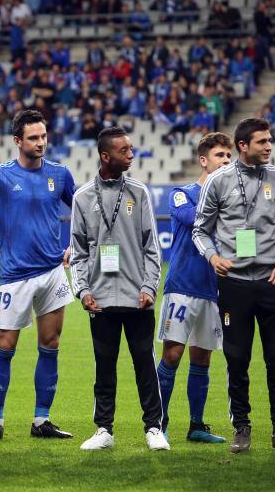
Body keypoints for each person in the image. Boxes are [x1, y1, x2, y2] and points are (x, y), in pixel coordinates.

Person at [192, 117, 275, 453]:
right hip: (235, 284)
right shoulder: (219, 181)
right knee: (237, 359)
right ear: (243, 146)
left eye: (270, 141)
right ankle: (242, 427)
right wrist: (212, 257)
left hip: (273, 280)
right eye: (262, 142)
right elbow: (200, 230)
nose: (269, 147)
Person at [0, 109, 76, 441]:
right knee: (5, 345)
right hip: (15, 277)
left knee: (50, 343)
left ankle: (41, 420)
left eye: (43, 136)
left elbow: (85, 213)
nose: (41, 143)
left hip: (53, 274)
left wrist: (75, 244)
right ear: (18, 141)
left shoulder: (60, 175)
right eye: (33, 138)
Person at [69, 126, 167, 451]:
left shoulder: (138, 193)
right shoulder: (83, 198)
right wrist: (83, 291)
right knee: (104, 366)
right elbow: (79, 251)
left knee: (144, 364)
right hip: (99, 300)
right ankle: (103, 430)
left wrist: (149, 287)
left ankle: (154, 428)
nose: (131, 155)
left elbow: (152, 248)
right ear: (105, 155)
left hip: (137, 298)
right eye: (125, 151)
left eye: (131, 149)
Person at [156, 133, 234, 444]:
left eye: (229, 157)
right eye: (219, 156)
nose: (226, 161)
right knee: (172, 355)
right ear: (203, 160)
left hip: (213, 292)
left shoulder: (231, 201)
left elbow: (244, 242)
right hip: (182, 289)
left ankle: (196, 426)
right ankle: (158, 424)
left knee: (202, 359)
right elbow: (192, 218)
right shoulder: (182, 194)